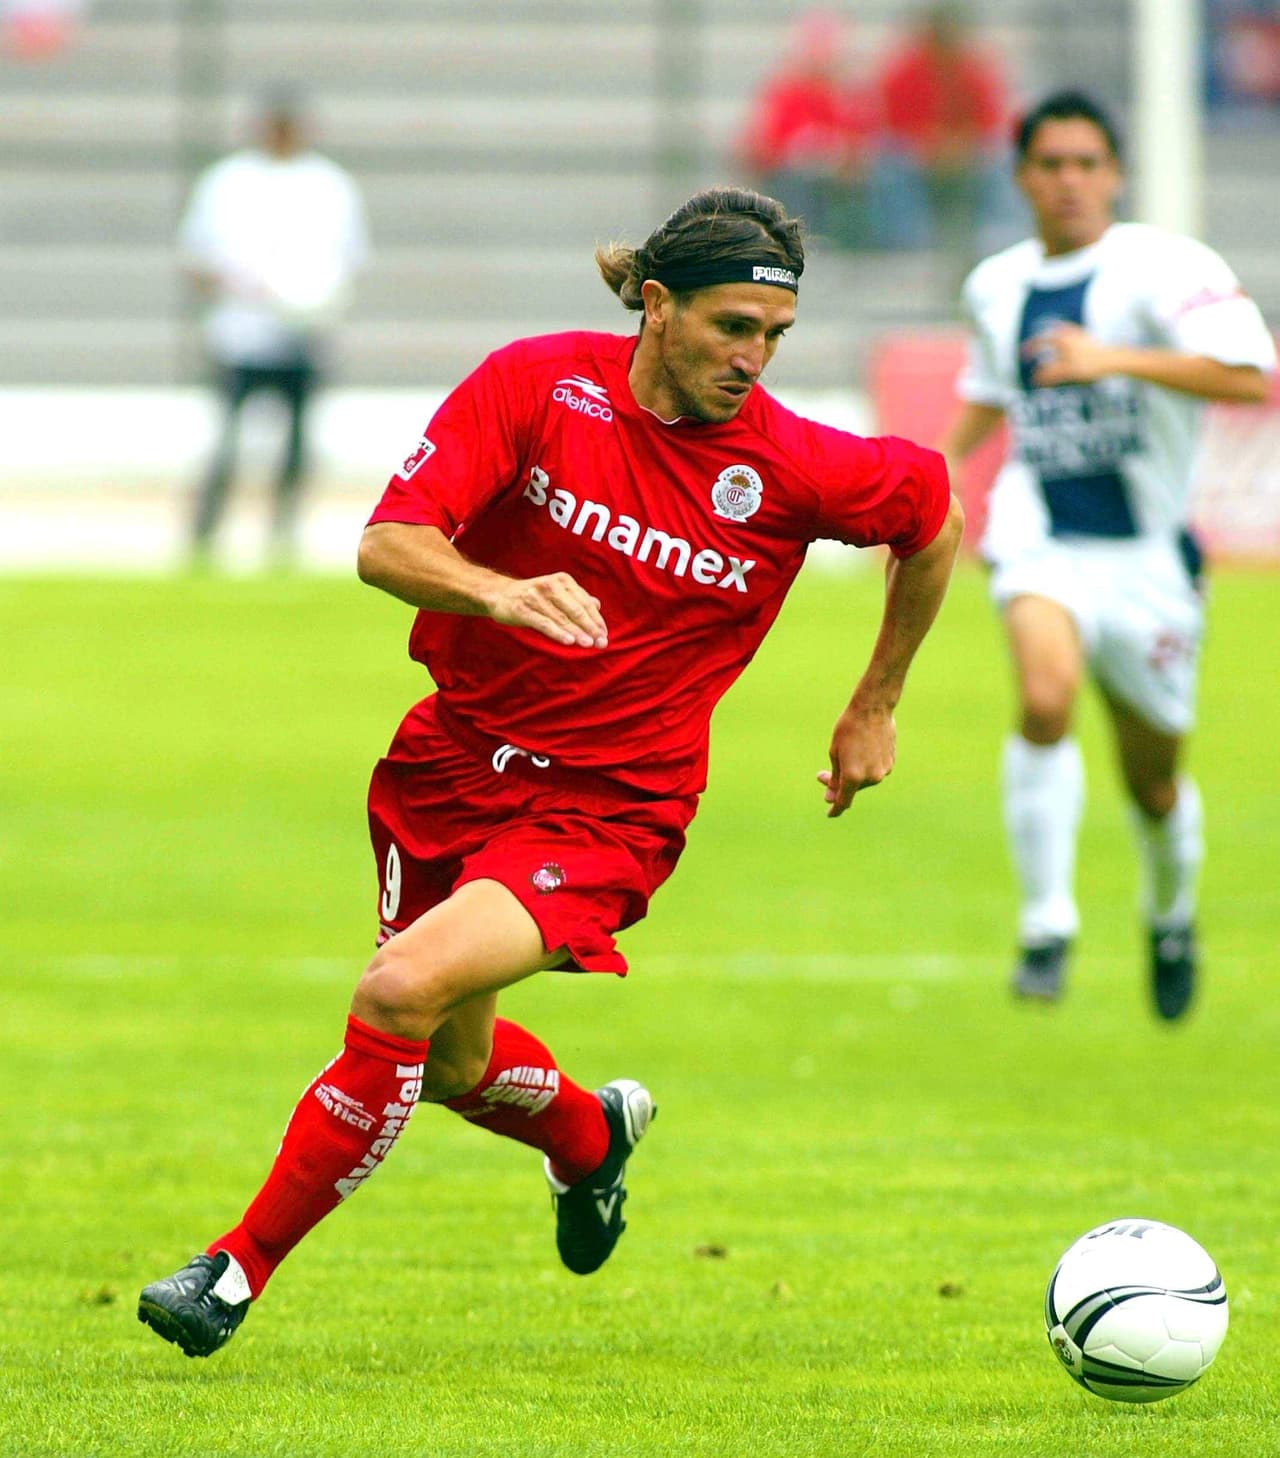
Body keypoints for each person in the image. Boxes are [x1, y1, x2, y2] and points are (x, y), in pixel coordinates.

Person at [137, 186, 963, 1358]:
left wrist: (872, 702)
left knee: (394, 995)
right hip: (452, 763)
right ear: (657, 306)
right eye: (732, 328)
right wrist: (496, 589)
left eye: (774, 337)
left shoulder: (790, 466)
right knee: (451, 1060)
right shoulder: (536, 384)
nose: (753, 360)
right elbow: (386, 541)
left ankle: (231, 1271)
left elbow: (931, 512)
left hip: (609, 807)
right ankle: (587, 1138)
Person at [937, 91, 1275, 1019]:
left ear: (1116, 173)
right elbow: (990, 391)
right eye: (1050, 164)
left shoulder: (1167, 268)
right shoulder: (995, 283)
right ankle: (1047, 925)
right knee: (1044, 699)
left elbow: (1248, 375)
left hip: (1150, 559)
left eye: (1087, 163)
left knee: (1153, 779)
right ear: (1023, 177)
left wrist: (1112, 361)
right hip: (1041, 530)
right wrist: (929, 474)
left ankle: (1170, 915)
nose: (1069, 181)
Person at [177, 91, 369, 564]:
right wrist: (248, 287)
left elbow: (350, 262)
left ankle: (282, 533)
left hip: (305, 339)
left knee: (297, 442)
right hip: (240, 335)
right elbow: (196, 259)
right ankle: (206, 532)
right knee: (227, 439)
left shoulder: (329, 185)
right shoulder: (227, 181)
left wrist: (314, 298)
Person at [870, 4, 1015, 263]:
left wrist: (959, 148)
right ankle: (909, 246)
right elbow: (891, 126)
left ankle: (998, 239)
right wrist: (929, 146)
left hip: (965, 155)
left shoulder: (975, 70)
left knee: (1005, 161)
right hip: (917, 155)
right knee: (888, 164)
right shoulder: (904, 71)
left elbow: (990, 124)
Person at [738, 8, 878, 250]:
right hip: (794, 177)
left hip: (843, 179)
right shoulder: (785, 93)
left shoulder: (850, 94)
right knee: (797, 185)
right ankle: (799, 246)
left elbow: (866, 141)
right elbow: (767, 146)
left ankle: (862, 251)